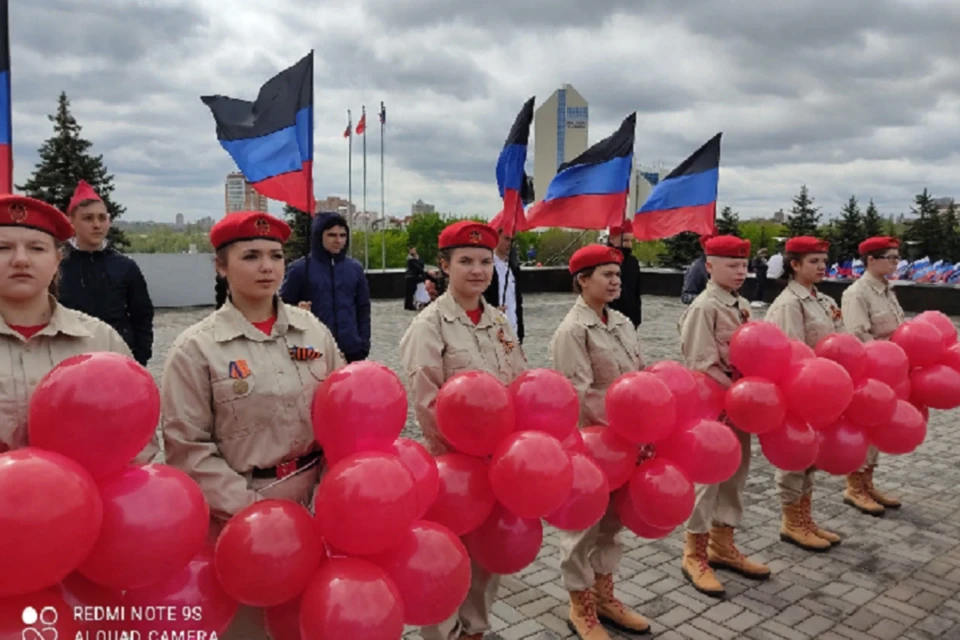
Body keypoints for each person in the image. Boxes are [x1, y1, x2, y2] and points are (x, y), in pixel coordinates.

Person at [161, 211, 344, 639]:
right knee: (248, 625)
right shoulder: (196, 349)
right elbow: (187, 447)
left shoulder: (313, 332)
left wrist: (335, 490)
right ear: (221, 267)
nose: (267, 267)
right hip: (240, 517)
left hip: (318, 505)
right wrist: (253, 513)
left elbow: (343, 414)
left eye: (276, 256)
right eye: (251, 256)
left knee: (306, 620)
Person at [399, 220, 527, 640]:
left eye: (485, 262)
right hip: (452, 470)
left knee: (486, 559)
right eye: (466, 261)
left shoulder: (499, 322)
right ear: (444, 265)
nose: (477, 270)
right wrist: (473, 447)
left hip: (498, 467)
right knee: (443, 563)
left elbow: (519, 383)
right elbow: (427, 401)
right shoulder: (430, 325)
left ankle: (476, 629)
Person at [0, 193, 159, 462]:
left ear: (57, 259)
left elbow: (138, 440)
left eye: (37, 248)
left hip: (86, 497)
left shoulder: (100, 340)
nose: (21, 260)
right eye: (3, 248)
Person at [549, 244, 649, 639]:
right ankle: (580, 604)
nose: (614, 282)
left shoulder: (621, 322)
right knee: (582, 528)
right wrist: (625, 428)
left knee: (612, 523)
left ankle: (605, 595)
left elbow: (639, 378)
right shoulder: (572, 331)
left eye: (617, 275)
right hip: (592, 445)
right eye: (605, 275)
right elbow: (578, 397)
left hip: (626, 445)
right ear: (582, 281)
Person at [677, 235, 770, 597]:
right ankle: (694, 553)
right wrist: (736, 393)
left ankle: (722, 543)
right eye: (732, 265)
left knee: (735, 475)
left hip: (740, 407)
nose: (741, 271)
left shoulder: (741, 304)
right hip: (712, 408)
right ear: (709, 266)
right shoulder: (705, 307)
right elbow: (700, 363)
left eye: (744, 265)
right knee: (708, 479)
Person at [764, 237, 844, 552]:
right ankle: (791, 522)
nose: (822, 266)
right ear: (794, 265)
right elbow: (792, 354)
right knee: (794, 458)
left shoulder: (821, 300)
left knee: (812, 457)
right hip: (800, 393)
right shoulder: (789, 304)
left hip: (822, 392)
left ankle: (805, 517)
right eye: (813, 261)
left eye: (824, 260)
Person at [840, 235, 906, 516]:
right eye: (889, 257)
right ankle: (854, 487)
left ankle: (868, 482)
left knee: (878, 430)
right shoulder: (857, 293)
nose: (895, 262)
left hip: (891, 373)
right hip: (869, 373)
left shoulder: (887, 291)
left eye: (896, 257)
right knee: (864, 430)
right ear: (871, 260)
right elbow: (858, 337)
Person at [58, 180, 155, 366]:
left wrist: (139, 357)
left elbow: (142, 315)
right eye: (88, 218)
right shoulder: (57, 265)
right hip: (69, 359)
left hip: (118, 358)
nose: (97, 225)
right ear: (71, 221)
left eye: (102, 218)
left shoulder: (125, 267)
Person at [279, 212, 371, 363]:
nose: (338, 240)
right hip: (313, 350)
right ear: (319, 236)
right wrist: (297, 310)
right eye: (331, 235)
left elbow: (363, 308)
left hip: (351, 349)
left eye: (342, 235)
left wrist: (363, 344)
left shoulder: (355, 268)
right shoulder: (300, 269)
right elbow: (282, 308)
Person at [482, 227, 524, 342]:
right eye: (506, 239)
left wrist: (520, 334)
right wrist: (491, 310)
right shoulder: (486, 266)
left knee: (512, 356)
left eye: (512, 240)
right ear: (496, 238)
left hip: (512, 333)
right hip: (495, 333)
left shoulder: (513, 268)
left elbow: (517, 302)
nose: (509, 244)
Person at [607, 219, 642, 328]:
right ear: (612, 239)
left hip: (630, 320)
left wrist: (637, 318)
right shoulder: (604, 261)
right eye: (625, 240)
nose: (629, 245)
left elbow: (636, 291)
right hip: (610, 319)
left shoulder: (633, 262)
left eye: (631, 241)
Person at [680, 235, 710, 304]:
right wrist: (708, 299)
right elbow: (686, 297)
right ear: (703, 247)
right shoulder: (697, 268)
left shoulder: (721, 265)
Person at [404, 246, 426, 310]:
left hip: (410, 276)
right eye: (413, 250)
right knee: (410, 292)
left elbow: (421, 265)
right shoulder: (411, 259)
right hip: (412, 276)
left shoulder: (412, 259)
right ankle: (409, 305)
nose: (414, 251)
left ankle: (408, 305)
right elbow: (419, 267)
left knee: (409, 292)